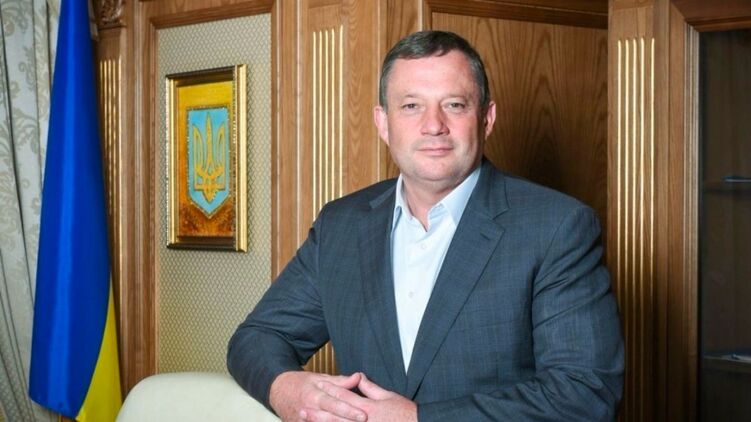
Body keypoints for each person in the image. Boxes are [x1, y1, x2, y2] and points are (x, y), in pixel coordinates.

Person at [228, 30, 624, 421]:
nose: (434, 125)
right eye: (411, 106)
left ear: (486, 118)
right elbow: (256, 338)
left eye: (454, 104)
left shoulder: (556, 227)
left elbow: (584, 394)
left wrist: (417, 419)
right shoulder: (341, 226)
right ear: (383, 123)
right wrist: (287, 389)